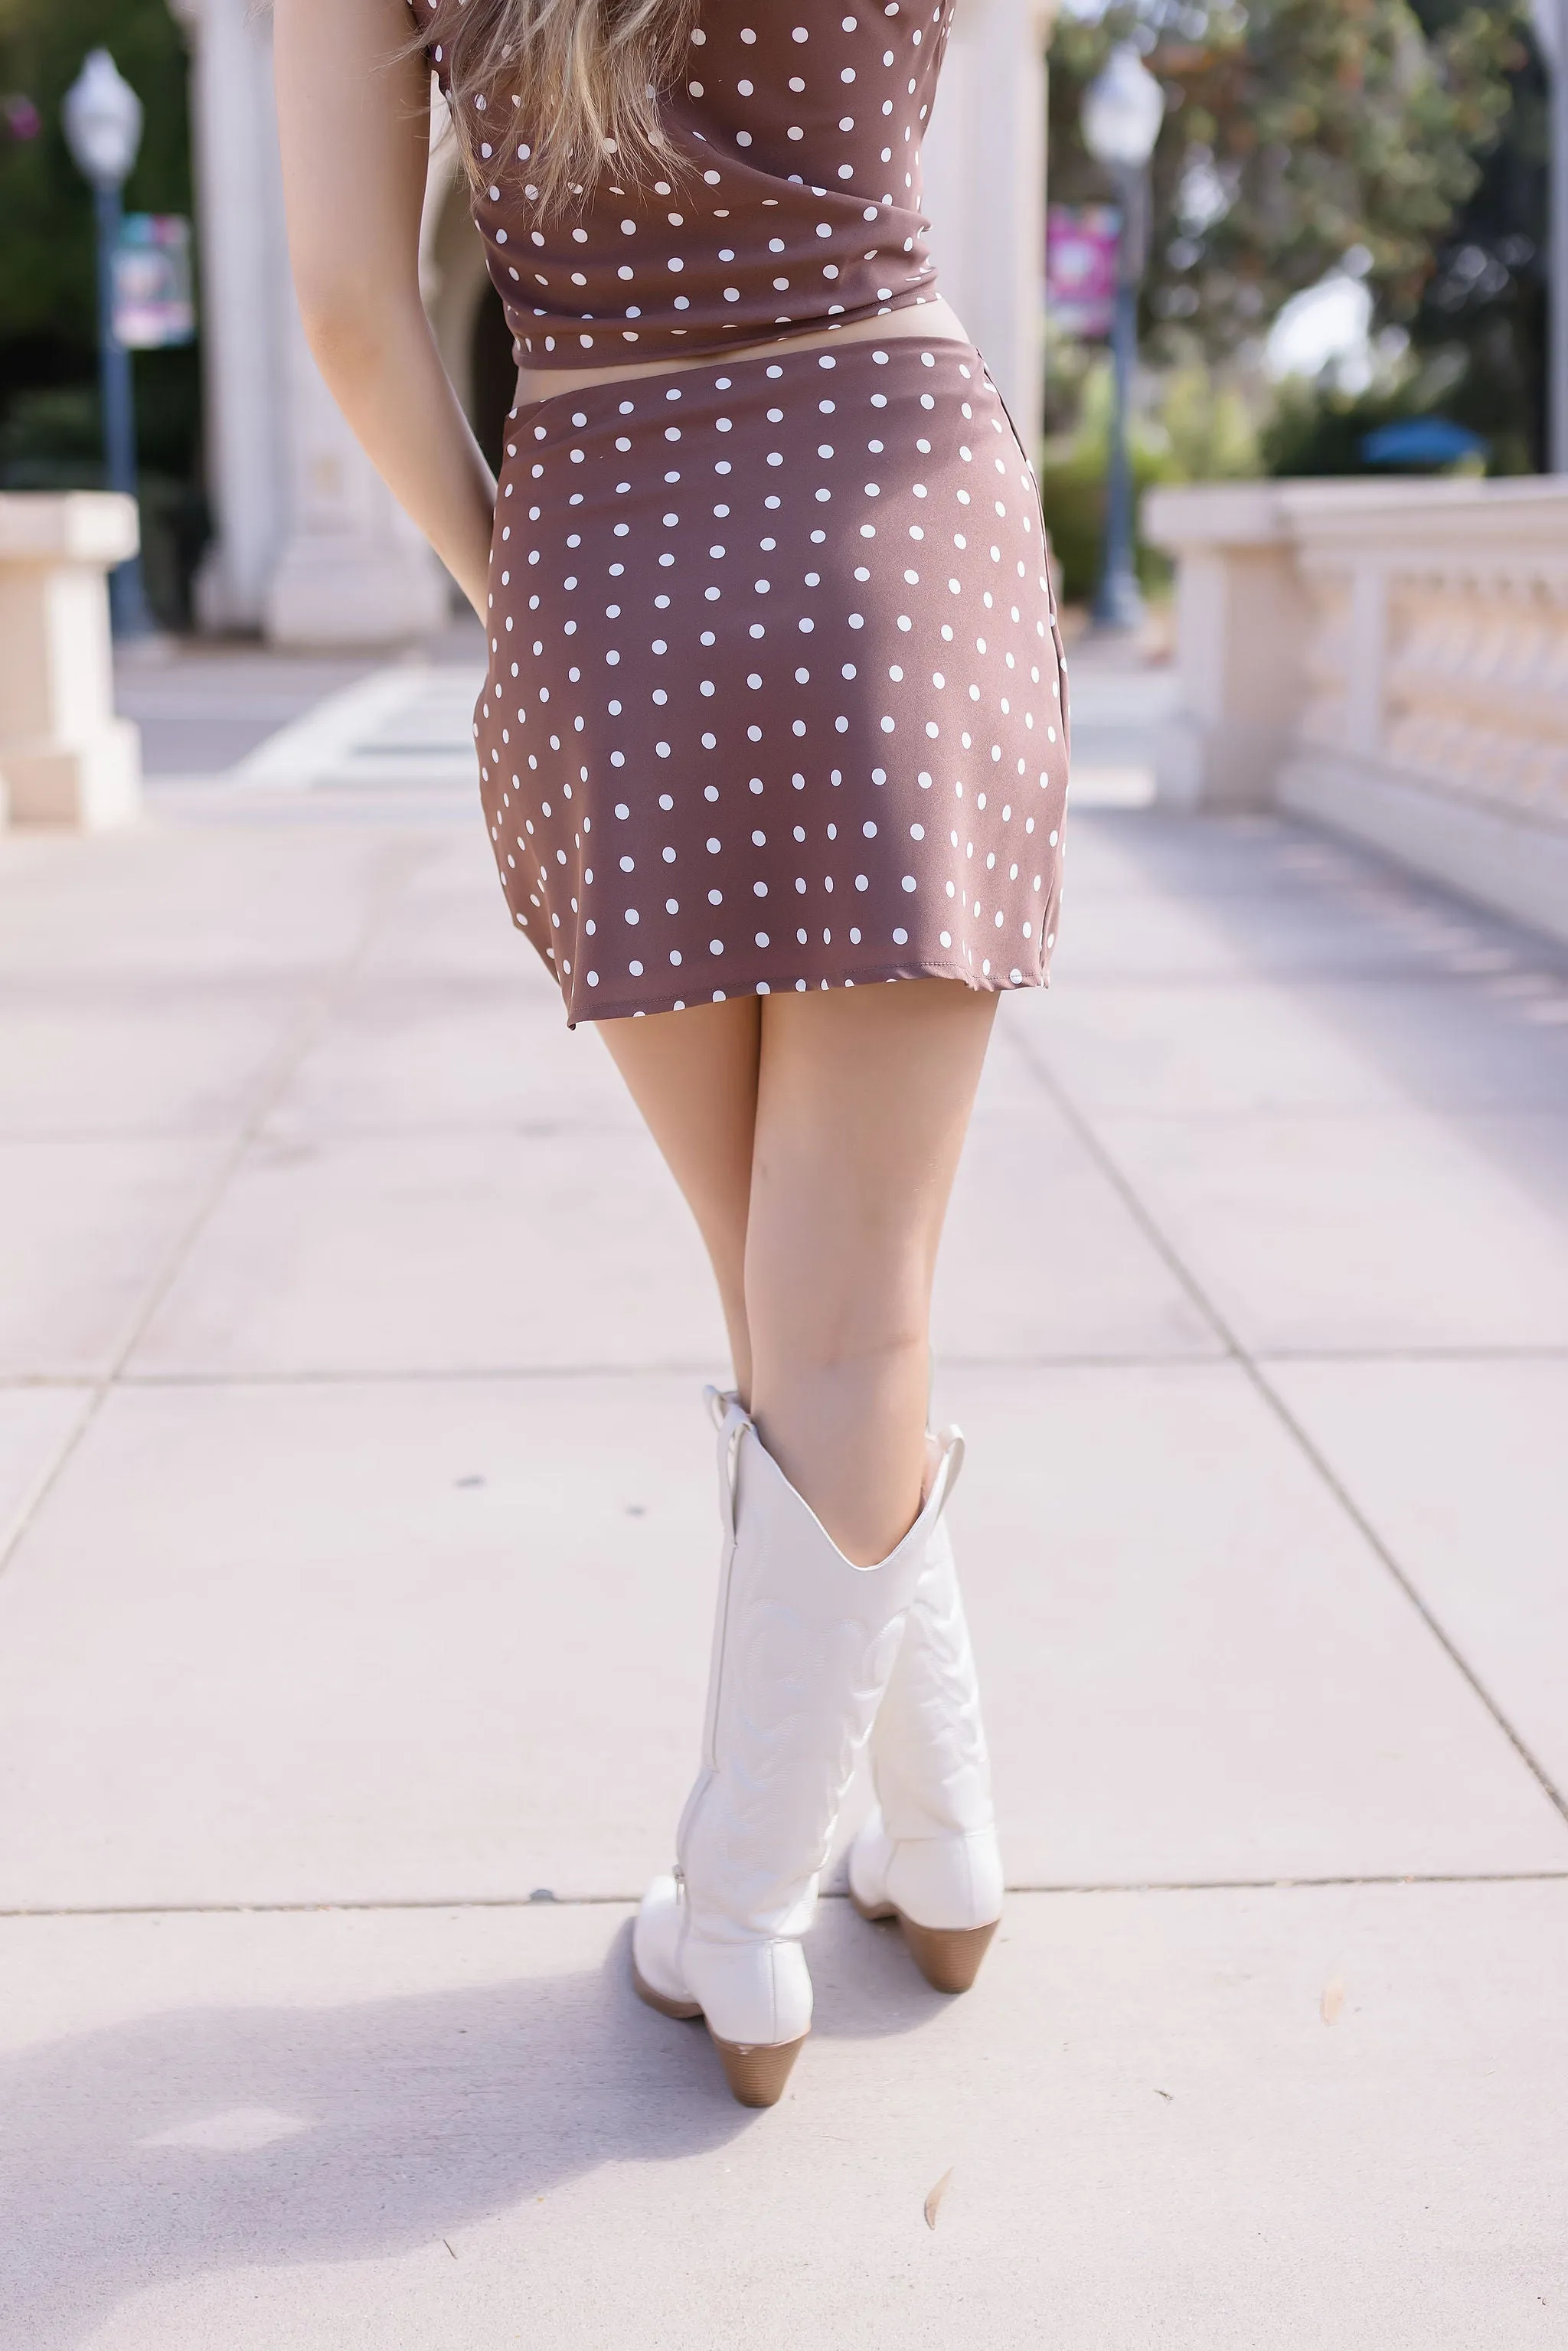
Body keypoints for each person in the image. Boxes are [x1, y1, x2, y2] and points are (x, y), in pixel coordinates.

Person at [274, 0, 1068, 2109]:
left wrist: (525, 581)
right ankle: (911, 1849)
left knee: (791, 1284)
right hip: (901, 512)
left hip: (615, 545)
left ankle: (756, 1901)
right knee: (844, 1301)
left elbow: (353, 313)